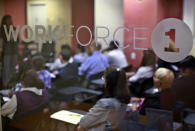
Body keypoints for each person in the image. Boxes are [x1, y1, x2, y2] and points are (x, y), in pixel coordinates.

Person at [78, 66, 131, 131]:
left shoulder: (106, 103)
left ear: (109, 82)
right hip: (113, 128)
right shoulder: (125, 98)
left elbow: (83, 123)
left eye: (104, 78)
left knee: (80, 127)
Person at [0, 15, 19, 88]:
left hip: (14, 51)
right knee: (6, 69)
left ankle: (12, 84)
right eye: (8, 19)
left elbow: (17, 39)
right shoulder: (2, 30)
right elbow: (3, 40)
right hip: (6, 52)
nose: (9, 21)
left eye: (10, 19)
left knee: (13, 68)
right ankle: (5, 84)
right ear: (4, 20)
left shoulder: (14, 28)